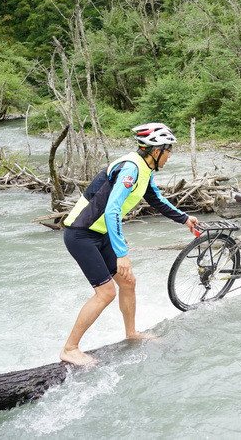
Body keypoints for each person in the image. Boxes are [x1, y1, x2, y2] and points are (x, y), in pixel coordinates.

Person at [60, 123, 199, 366]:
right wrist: (121, 253)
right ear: (156, 151)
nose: (170, 156)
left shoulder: (144, 170)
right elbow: (113, 209)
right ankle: (70, 349)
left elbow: (157, 200)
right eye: (169, 151)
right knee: (105, 293)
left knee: (128, 282)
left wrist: (185, 219)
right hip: (81, 234)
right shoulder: (131, 169)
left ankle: (131, 333)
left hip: (99, 233)